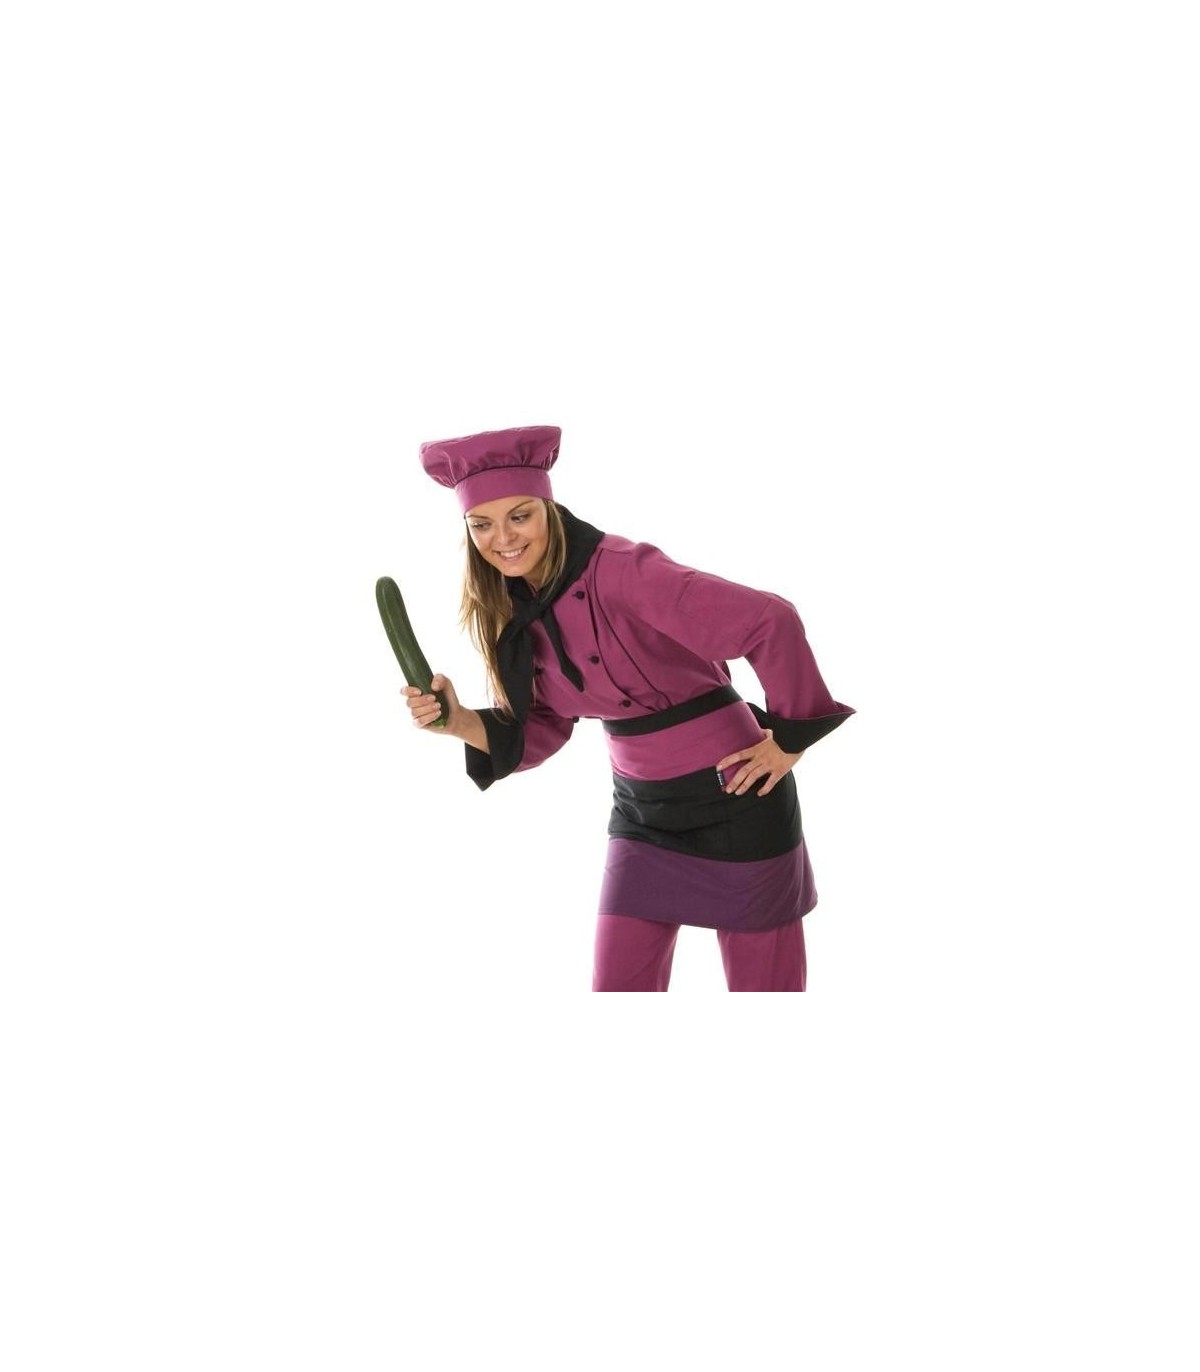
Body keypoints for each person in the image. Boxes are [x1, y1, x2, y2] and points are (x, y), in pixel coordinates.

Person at [404, 425, 854, 992]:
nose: (503, 538)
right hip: (643, 814)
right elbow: (545, 725)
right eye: (482, 524)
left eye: (519, 516)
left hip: (738, 794)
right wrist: (461, 722)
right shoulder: (507, 608)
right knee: (618, 985)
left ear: (548, 508)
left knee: (764, 990)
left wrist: (790, 739)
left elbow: (770, 620)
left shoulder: (622, 569)